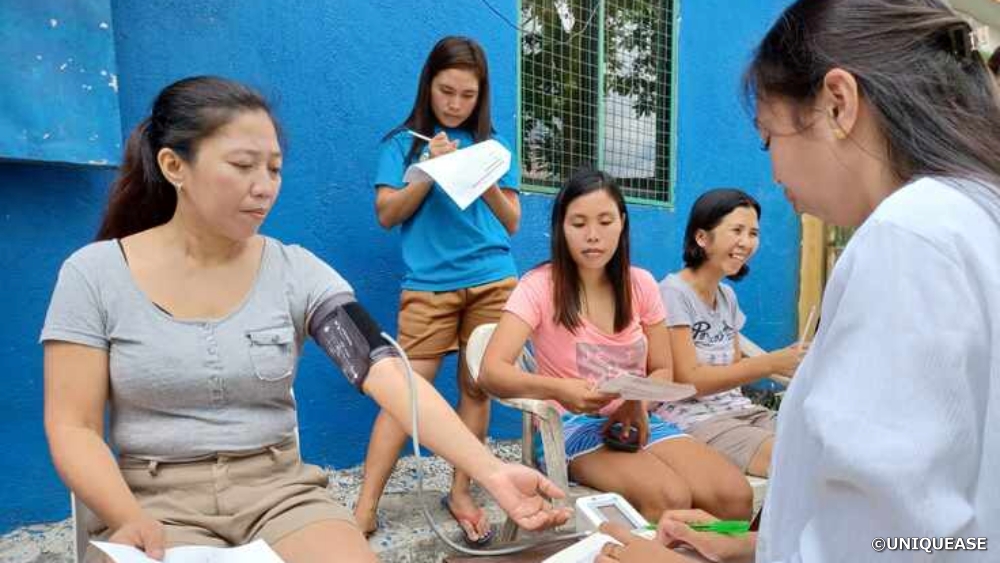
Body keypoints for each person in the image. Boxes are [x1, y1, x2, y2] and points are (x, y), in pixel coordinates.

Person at [41, 76, 569, 563]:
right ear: (174, 166)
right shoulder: (95, 275)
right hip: (153, 502)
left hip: (280, 495)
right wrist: (126, 517)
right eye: (243, 165)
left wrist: (491, 471)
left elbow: (385, 371)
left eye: (273, 169)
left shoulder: (295, 272)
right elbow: (73, 425)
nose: (264, 186)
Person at [593, 0, 1000, 561]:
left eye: (769, 137)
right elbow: (931, 531)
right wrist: (759, 545)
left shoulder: (908, 237)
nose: (773, 168)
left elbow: (888, 546)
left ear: (838, 104)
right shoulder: (969, 218)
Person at [480, 169, 753, 524]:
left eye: (605, 221)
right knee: (668, 496)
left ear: (622, 223)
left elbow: (662, 369)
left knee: (734, 495)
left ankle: (700, 548)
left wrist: (635, 403)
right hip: (568, 426)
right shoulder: (539, 286)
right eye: (578, 223)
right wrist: (560, 389)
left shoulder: (640, 284)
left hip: (635, 420)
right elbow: (492, 371)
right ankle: (638, 548)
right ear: (561, 228)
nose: (593, 235)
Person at [357, 35, 521, 546]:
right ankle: (365, 506)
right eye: (446, 91)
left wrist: (479, 174)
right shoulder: (401, 143)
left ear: (481, 95)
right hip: (428, 288)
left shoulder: (493, 145)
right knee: (404, 394)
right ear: (428, 84)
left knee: (476, 388)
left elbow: (512, 220)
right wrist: (430, 171)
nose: (455, 104)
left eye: (467, 95)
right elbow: (387, 214)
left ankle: (461, 492)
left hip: (492, 280)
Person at [653, 188, 806, 477]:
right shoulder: (673, 293)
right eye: (737, 230)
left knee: (818, 442)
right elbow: (689, 380)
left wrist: (789, 362)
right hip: (695, 420)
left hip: (741, 410)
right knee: (792, 460)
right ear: (702, 237)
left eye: (753, 233)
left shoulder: (727, 296)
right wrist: (770, 363)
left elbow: (734, 369)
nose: (746, 242)